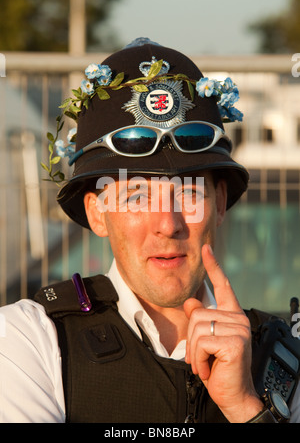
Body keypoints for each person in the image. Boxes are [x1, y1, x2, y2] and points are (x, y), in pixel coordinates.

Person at [1, 38, 300, 423]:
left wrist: (244, 408)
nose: (167, 224)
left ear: (220, 203)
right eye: (137, 195)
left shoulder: (284, 359)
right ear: (97, 213)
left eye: (190, 192)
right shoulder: (31, 340)